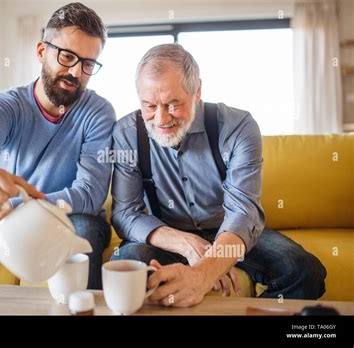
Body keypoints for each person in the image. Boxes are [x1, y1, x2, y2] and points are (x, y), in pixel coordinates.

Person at [111, 43, 326, 307]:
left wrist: (206, 270)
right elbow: (125, 214)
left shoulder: (238, 126)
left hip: (230, 230)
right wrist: (186, 244)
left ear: (197, 91)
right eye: (149, 105)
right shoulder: (126, 133)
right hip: (168, 234)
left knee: (304, 271)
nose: (161, 118)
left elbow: (243, 213)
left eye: (173, 104)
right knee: (128, 262)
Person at [0, 2, 115, 289]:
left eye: (88, 64)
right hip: (10, 217)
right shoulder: (5, 105)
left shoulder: (99, 112)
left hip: (69, 219)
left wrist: (11, 207)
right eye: (67, 57)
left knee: (86, 233)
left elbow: (89, 195)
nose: (76, 73)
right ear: (42, 51)